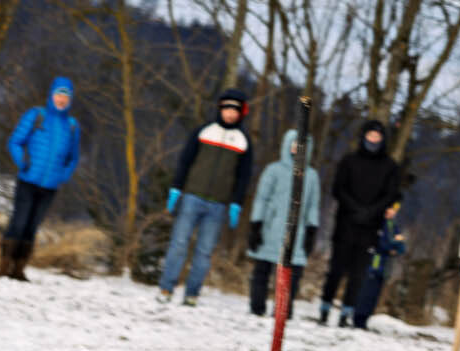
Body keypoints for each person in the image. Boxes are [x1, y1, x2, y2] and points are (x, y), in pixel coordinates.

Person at [158, 88, 253, 306]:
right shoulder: (204, 131)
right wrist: (176, 188)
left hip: (218, 205)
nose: (230, 114)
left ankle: (192, 294)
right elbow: (185, 161)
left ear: (241, 113)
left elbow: (243, 176)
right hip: (192, 197)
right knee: (178, 244)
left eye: (235, 111)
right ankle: (166, 288)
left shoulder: (243, 141)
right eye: (227, 109)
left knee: (204, 252)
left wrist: (236, 203)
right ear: (220, 109)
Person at [321, 119, 403, 325]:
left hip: (371, 227)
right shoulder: (349, 161)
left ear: (383, 139)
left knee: (358, 273)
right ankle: (325, 307)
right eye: (370, 135)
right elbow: (338, 189)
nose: (373, 139)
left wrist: (371, 211)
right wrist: (355, 209)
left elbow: (392, 194)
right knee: (336, 269)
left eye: (377, 136)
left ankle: (346, 312)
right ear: (364, 136)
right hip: (345, 223)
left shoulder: (390, 166)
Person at [0, 77, 82, 280]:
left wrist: (63, 175)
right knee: (19, 222)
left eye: (66, 96)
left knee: (32, 226)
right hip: (28, 180)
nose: (61, 99)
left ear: (70, 100)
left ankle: (19, 269)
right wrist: (22, 162)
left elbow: (73, 158)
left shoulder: (72, 126)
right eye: (59, 94)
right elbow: (15, 142)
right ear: (51, 95)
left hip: (50, 186)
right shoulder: (36, 115)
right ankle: (4, 265)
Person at [247, 128, 321, 318]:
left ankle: (283, 309)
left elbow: (313, 205)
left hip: (297, 232)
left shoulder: (311, 176)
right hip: (270, 228)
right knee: (262, 270)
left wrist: (312, 228)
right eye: (294, 143)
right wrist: (256, 224)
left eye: (301, 145)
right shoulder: (274, 170)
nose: (297, 148)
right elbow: (262, 198)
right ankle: (257, 307)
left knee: (292, 273)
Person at [350, 200, 407, 328]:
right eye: (391, 209)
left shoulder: (393, 226)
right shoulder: (378, 222)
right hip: (375, 261)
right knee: (367, 291)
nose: (392, 212)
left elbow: (401, 247)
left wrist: (394, 246)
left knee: (374, 295)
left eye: (395, 210)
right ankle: (358, 318)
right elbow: (381, 243)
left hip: (385, 265)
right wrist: (392, 245)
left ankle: (365, 319)